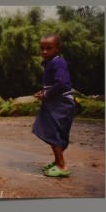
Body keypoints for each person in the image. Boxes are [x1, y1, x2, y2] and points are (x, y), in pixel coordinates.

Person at [32, 34, 76, 177]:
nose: (45, 51)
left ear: (58, 48)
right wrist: (44, 91)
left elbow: (62, 84)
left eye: (49, 48)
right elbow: (54, 85)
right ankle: (57, 161)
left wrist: (46, 95)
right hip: (54, 102)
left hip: (60, 103)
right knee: (51, 130)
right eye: (42, 48)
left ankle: (62, 166)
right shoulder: (51, 62)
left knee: (53, 132)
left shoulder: (58, 63)